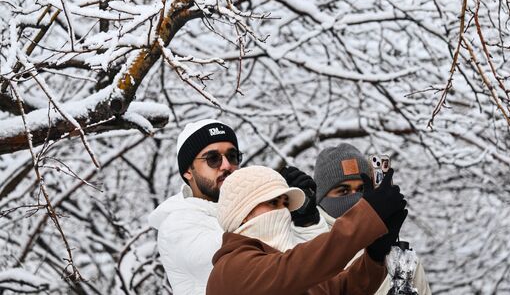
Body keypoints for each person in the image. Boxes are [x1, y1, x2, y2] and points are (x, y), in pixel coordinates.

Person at [147, 119, 327, 295]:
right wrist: (271, 203)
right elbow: (251, 259)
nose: (226, 166)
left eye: (232, 156)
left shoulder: (253, 211)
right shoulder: (176, 225)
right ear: (188, 171)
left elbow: (316, 265)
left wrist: (307, 219)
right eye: (213, 158)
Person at [206, 165, 408, 295]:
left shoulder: (282, 272)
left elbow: (341, 290)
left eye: (286, 203)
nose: (283, 212)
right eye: (273, 202)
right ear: (243, 213)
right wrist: (367, 215)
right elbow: (300, 264)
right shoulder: (231, 270)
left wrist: (374, 254)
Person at [314, 143, 432, 295]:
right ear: (322, 198)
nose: (355, 198)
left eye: (362, 189)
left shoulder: (399, 255)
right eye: (344, 191)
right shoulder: (310, 248)